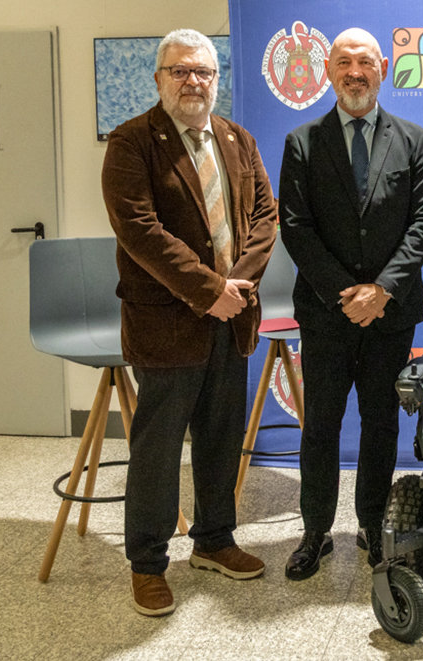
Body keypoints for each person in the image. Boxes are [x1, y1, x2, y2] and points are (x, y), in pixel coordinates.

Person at [102, 29, 278, 616]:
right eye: (179, 71)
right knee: (157, 448)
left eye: (202, 72)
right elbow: (140, 230)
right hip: (167, 323)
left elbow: (264, 218)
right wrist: (209, 291)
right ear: (159, 79)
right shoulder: (131, 143)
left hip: (232, 319)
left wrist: (237, 288)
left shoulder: (236, 138)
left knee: (222, 434)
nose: (192, 82)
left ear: (216, 79)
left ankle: (214, 540)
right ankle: (148, 562)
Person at [278, 28, 423, 581]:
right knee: (320, 424)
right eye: (344, 62)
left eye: (365, 62)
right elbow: (295, 226)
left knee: (380, 423)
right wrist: (344, 294)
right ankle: (315, 530)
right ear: (327, 70)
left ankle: (373, 524)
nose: (355, 72)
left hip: (391, 314)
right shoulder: (302, 142)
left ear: (384, 70)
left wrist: (383, 290)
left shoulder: (415, 139)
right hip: (326, 313)